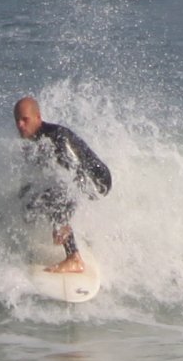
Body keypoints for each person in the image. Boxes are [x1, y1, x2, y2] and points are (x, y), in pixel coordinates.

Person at [13, 96, 111, 273]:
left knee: (56, 199)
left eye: (25, 119)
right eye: (17, 120)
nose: (20, 125)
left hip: (97, 181)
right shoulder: (31, 142)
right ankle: (71, 237)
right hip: (76, 180)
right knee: (29, 202)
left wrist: (62, 218)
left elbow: (75, 178)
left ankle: (74, 258)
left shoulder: (57, 138)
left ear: (38, 117)